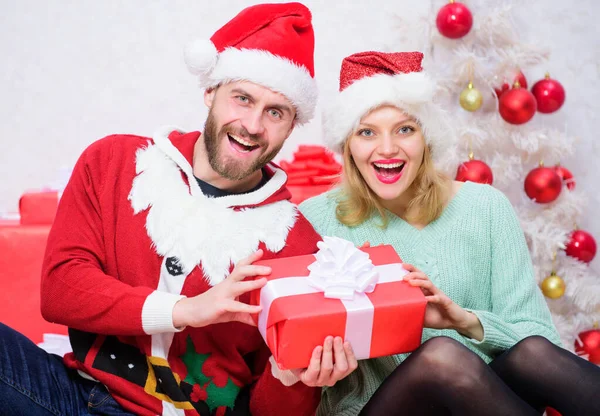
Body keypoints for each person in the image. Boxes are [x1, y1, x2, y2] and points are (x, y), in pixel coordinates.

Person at [0, 3, 358, 415]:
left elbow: (268, 410)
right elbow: (62, 290)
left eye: (275, 112)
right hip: (72, 393)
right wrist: (187, 310)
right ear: (210, 92)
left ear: (291, 126)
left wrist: (291, 378)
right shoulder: (112, 162)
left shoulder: (296, 244)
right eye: (242, 99)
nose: (254, 125)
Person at [299, 51, 600, 416]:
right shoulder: (316, 220)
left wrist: (464, 320)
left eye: (405, 129)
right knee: (441, 355)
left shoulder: (484, 206)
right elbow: (299, 355)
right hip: (375, 407)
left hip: (488, 402)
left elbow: (539, 338)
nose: (388, 149)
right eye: (366, 132)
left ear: (426, 137)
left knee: (532, 353)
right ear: (348, 145)